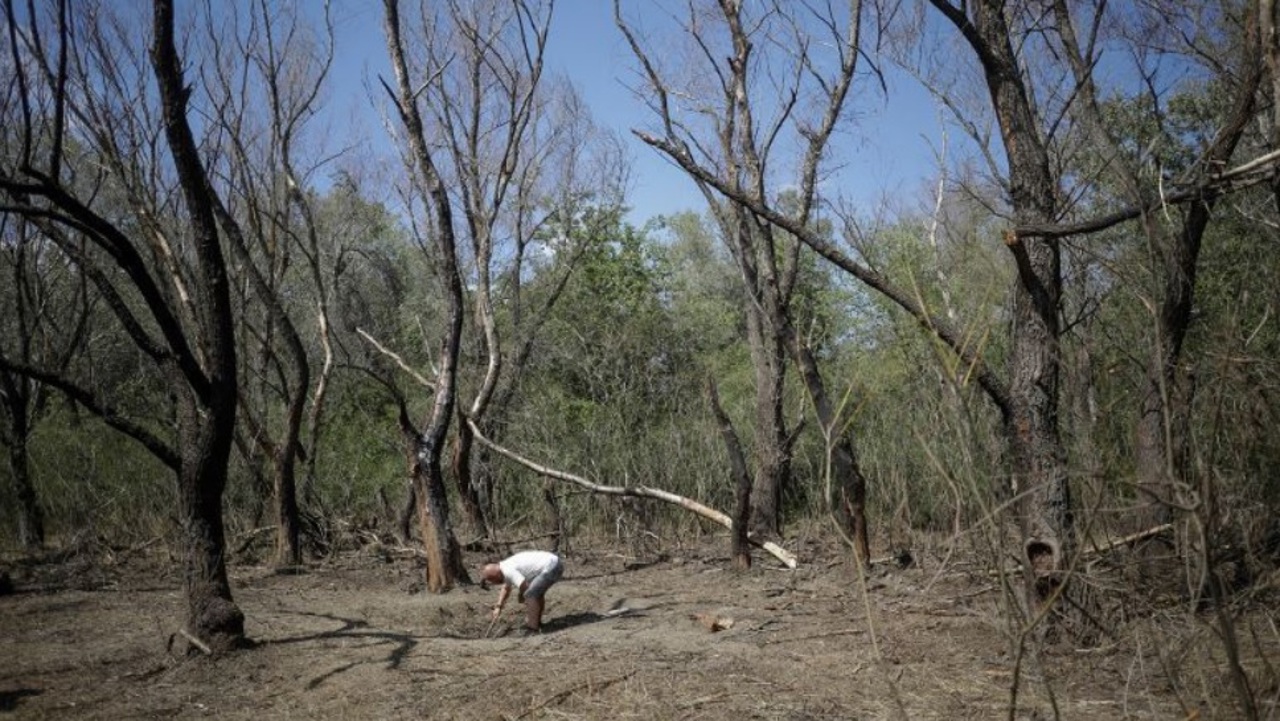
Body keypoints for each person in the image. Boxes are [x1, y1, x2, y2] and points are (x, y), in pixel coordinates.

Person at [481, 550, 563, 633]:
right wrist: (498, 607)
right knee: (535, 593)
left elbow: (524, 586)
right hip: (552, 563)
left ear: (496, 577)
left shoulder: (508, 571)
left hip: (552, 566)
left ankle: (532, 628)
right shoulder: (503, 566)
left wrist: (521, 596)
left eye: (493, 581)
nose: (494, 583)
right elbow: (506, 588)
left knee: (531, 595)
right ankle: (537, 623)